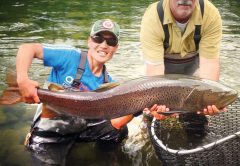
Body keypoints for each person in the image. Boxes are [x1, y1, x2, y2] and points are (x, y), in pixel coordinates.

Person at [16, 19, 133, 165]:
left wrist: (143, 108)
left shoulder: (109, 83)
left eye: (111, 41)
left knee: (119, 132)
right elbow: (28, 48)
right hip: (51, 131)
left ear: (116, 47)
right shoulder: (70, 57)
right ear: (89, 41)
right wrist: (22, 80)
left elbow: (116, 123)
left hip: (79, 129)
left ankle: (102, 158)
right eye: (98, 38)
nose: (104, 45)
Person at [140, 0, 224, 119]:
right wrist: (156, 105)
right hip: (161, 73)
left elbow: (209, 63)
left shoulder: (210, 13)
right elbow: (155, 70)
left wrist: (209, 102)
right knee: (154, 113)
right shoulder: (153, 17)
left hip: (194, 72)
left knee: (198, 117)